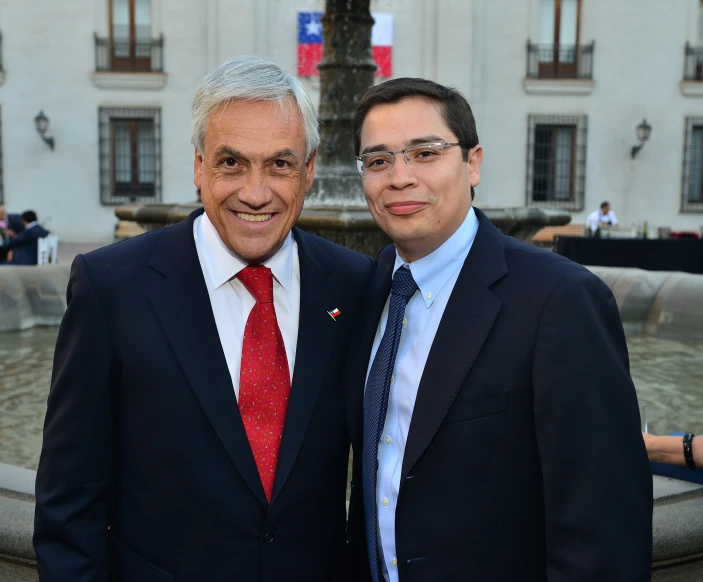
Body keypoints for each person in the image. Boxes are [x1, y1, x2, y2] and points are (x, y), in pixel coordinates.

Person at [33, 55, 374, 581]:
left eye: (280, 164)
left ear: (308, 171)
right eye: (231, 163)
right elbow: (68, 502)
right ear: (198, 166)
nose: (255, 193)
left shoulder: (353, 286)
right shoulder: (113, 288)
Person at [345, 78, 653, 582]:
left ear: (473, 163)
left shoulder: (560, 300)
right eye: (378, 160)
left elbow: (604, 526)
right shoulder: (375, 283)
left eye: (425, 153)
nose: (399, 177)